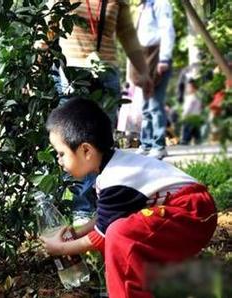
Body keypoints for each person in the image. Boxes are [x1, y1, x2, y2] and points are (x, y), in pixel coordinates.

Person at [41, 98, 217, 298]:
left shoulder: (116, 177)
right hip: (187, 212)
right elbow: (104, 218)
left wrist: (61, 248)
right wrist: (78, 233)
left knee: (118, 234)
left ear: (86, 150)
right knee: (118, 230)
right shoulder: (113, 168)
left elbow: (102, 235)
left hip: (193, 212)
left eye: (61, 154)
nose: (59, 161)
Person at [41, 0, 153, 225]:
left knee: (100, 143)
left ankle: (105, 203)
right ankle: (81, 209)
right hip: (71, 73)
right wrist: (34, 67)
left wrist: (144, 72)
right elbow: (46, 32)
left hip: (106, 74)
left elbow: (128, 35)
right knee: (73, 141)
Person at [131, 0, 176, 159]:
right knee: (145, 106)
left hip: (157, 58)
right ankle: (147, 143)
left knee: (155, 105)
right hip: (144, 60)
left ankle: (159, 145)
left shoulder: (160, 3)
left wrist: (164, 59)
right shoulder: (142, 6)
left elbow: (167, 31)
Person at [180, 79, 202, 145]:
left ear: (194, 89)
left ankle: (185, 140)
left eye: (189, 87)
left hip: (189, 116)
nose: (187, 89)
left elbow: (188, 108)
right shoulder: (198, 97)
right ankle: (198, 139)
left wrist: (184, 114)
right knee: (195, 129)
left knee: (187, 129)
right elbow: (200, 107)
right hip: (196, 116)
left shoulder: (190, 97)